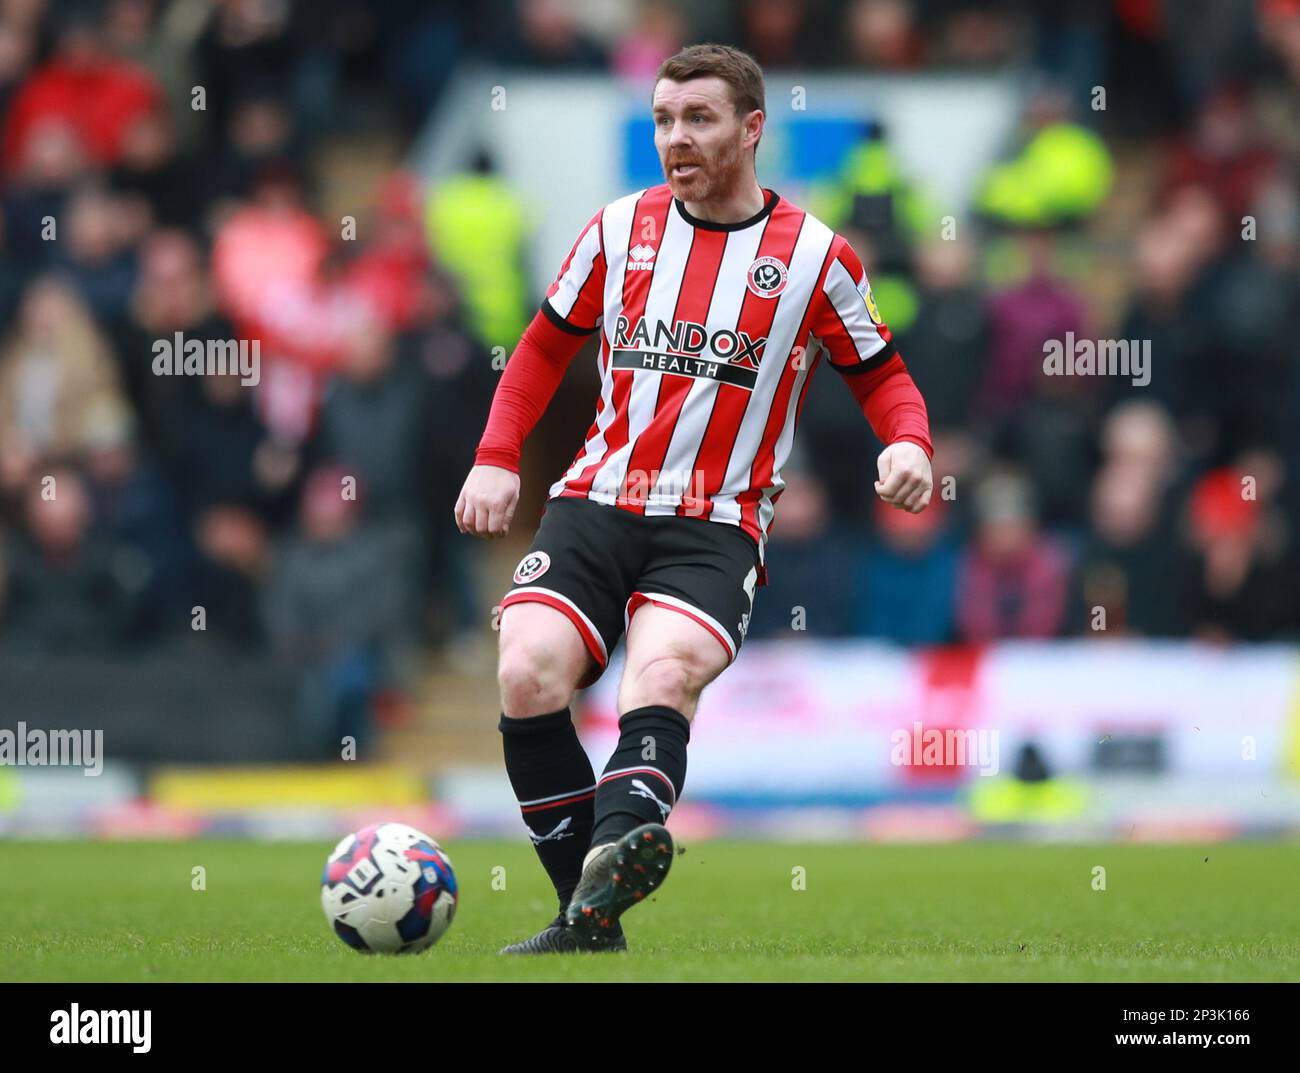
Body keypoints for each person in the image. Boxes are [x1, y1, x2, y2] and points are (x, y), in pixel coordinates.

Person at [454, 43, 933, 954]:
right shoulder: (615, 230)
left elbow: (885, 377)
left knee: (663, 676)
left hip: (713, 525)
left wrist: (909, 443)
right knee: (525, 673)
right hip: (594, 500)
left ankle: (610, 866)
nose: (677, 139)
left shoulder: (817, 258)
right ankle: (585, 909)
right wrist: (496, 455)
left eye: (699, 120)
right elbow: (541, 352)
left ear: (753, 129)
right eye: (665, 121)